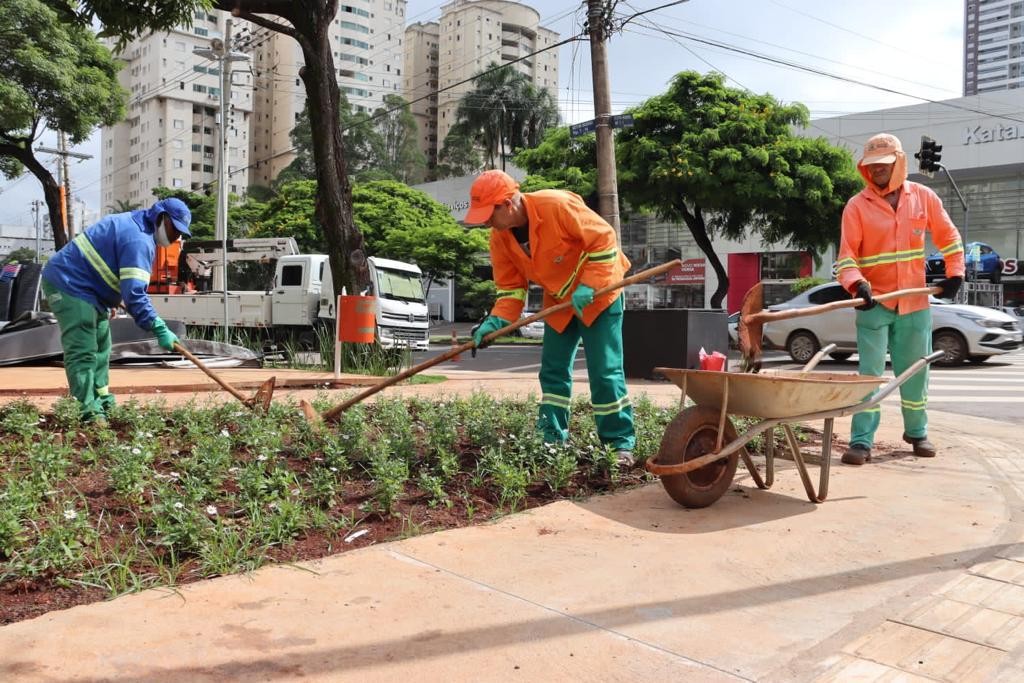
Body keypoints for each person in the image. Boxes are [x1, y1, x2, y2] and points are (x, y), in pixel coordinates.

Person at [463, 170, 636, 466]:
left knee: (604, 372)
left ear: (508, 204)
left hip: (600, 295)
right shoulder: (500, 239)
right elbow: (510, 290)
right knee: (553, 370)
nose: (486, 222)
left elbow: (605, 241)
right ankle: (552, 439)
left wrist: (590, 284)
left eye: (489, 214)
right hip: (560, 300)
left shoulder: (555, 206)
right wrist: (495, 322)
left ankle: (619, 444)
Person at [836, 133, 964, 465]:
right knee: (870, 376)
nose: (877, 170)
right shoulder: (856, 206)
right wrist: (855, 285)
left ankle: (917, 433)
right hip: (874, 304)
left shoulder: (923, 197)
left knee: (916, 371)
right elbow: (846, 257)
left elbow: (949, 237)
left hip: (914, 305)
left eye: (884, 164)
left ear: (899, 162)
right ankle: (861, 441)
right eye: (872, 166)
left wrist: (955, 274)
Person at [41, 198, 192, 424]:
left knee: (102, 347)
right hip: (68, 284)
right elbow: (135, 296)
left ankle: (102, 401)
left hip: (90, 291)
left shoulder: (137, 226)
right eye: (175, 230)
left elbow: (107, 265)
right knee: (83, 348)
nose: (175, 238)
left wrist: (110, 299)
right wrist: (159, 327)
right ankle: (87, 411)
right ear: (163, 218)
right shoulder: (139, 240)